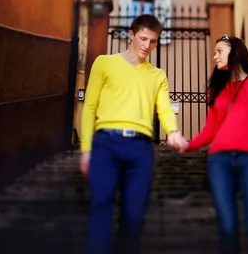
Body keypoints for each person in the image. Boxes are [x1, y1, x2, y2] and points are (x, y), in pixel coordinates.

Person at [80, 14, 187, 254]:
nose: (147, 46)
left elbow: (165, 108)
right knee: (102, 206)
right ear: (131, 34)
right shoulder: (104, 63)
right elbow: (89, 107)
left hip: (140, 149)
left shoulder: (157, 75)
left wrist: (173, 131)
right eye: (143, 38)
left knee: (134, 214)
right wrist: (87, 150)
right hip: (106, 143)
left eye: (153, 41)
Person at [179, 34, 248, 254]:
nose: (214, 56)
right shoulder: (217, 89)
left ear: (235, 51)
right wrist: (187, 145)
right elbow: (210, 130)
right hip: (219, 161)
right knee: (228, 228)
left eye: (219, 51)